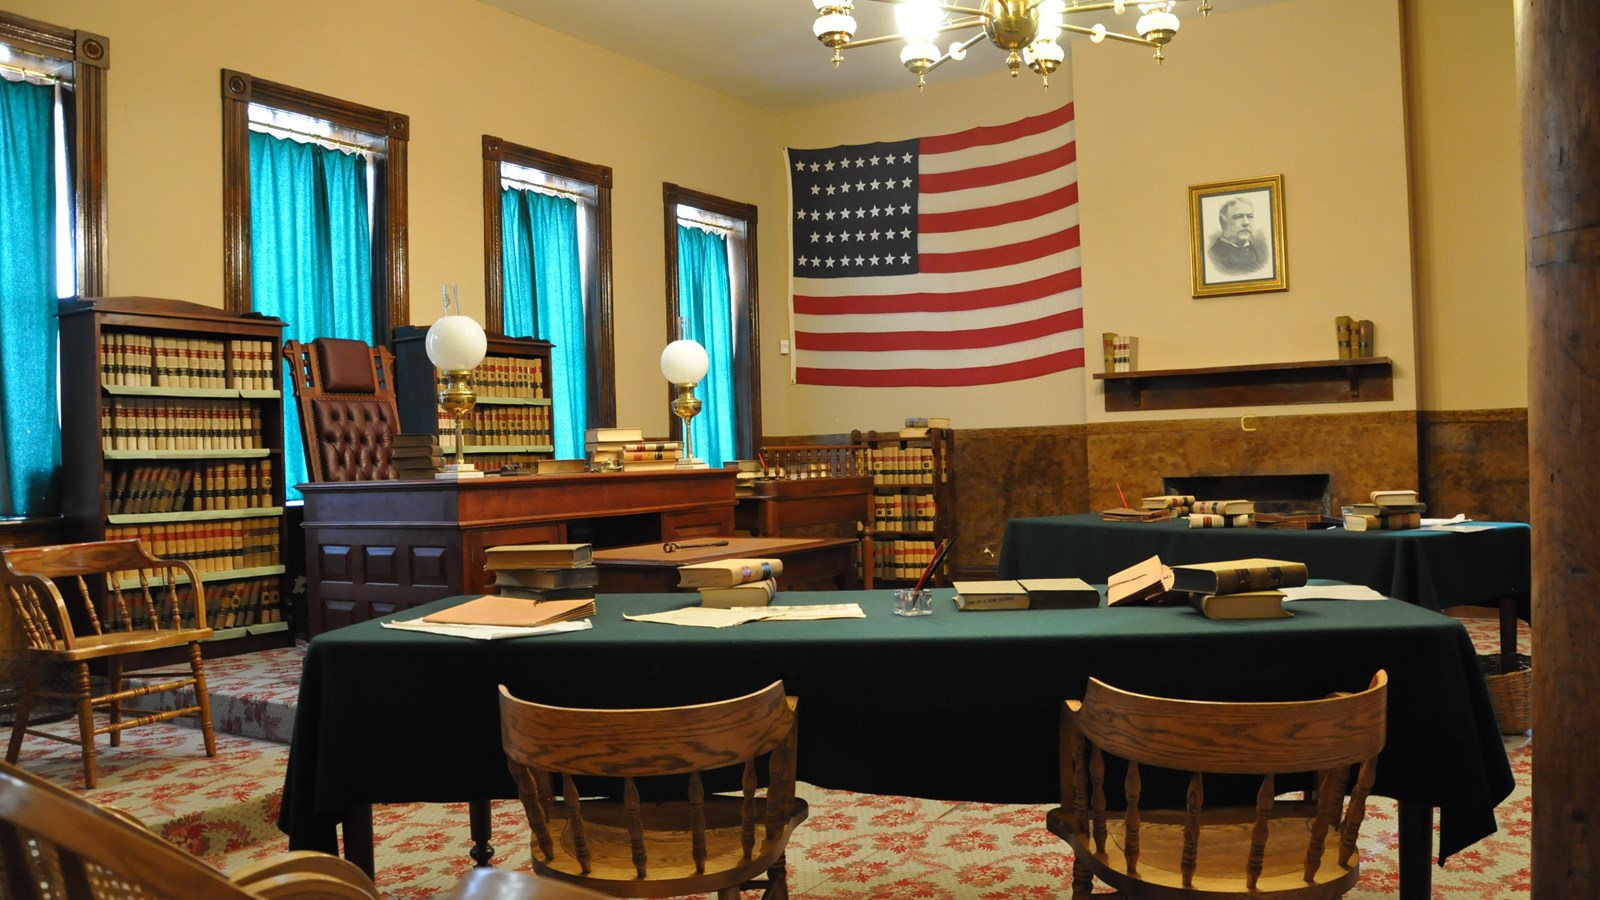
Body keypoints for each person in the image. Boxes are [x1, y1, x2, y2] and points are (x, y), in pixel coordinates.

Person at [1206, 196, 1271, 276]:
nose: (1246, 222)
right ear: (1223, 222)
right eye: (1238, 217)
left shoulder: (1262, 253)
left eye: (1250, 216)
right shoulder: (1214, 256)